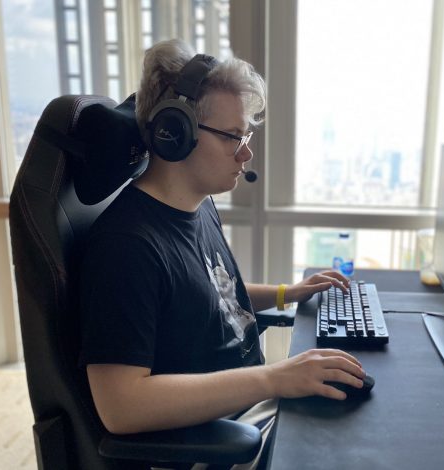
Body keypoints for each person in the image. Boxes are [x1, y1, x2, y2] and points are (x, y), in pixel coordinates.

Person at [78, 39, 365, 467]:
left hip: (249, 410)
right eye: (232, 136)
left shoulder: (198, 207)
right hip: (213, 443)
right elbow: (121, 407)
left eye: (244, 136)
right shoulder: (126, 247)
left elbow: (210, 295)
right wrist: (275, 378)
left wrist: (288, 293)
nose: (246, 153)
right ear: (174, 133)